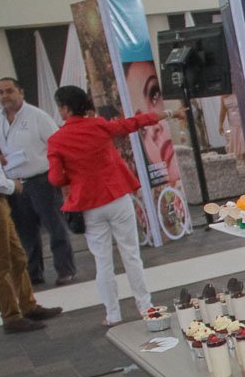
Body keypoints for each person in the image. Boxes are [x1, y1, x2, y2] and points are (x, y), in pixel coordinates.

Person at [47, 85, 177, 327]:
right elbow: (132, 123)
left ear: (65, 109)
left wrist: (72, 178)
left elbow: (55, 179)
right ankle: (145, 306)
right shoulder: (99, 125)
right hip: (117, 196)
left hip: (88, 204)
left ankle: (113, 314)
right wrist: (168, 114)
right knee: (131, 255)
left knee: (103, 261)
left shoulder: (56, 140)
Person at [0, 72, 62, 333]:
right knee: (0, 261)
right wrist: (12, 185)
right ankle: (11, 316)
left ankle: (27, 305)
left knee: (17, 255)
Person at [0, 77, 77, 287]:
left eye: (9, 91)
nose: (5, 96)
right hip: (14, 182)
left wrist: (63, 178)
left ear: (21, 92)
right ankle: (33, 273)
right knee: (25, 231)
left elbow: (57, 144)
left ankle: (65, 270)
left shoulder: (37, 116)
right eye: (0, 92)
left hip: (41, 180)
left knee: (55, 227)